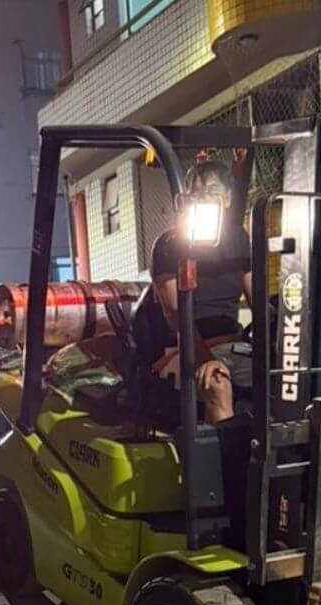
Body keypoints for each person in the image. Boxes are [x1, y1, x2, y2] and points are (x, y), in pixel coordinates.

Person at [131, 160, 253, 427]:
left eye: (211, 191)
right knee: (218, 384)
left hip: (231, 342)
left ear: (228, 198)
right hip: (182, 348)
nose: (202, 199)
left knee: (287, 379)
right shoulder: (170, 245)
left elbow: (257, 297)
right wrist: (206, 359)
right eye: (195, 193)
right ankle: (223, 466)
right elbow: (176, 316)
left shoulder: (239, 239)